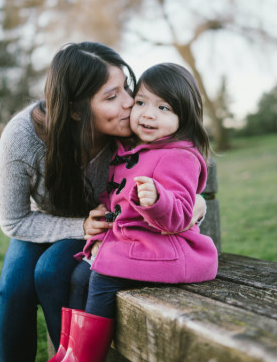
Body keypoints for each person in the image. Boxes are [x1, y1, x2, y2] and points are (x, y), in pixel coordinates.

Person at [0, 43, 205, 362]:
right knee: (14, 290)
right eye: (111, 97)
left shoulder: (134, 127)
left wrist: (195, 202)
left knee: (50, 271)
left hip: (104, 227)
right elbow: (13, 221)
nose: (129, 103)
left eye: (126, 88)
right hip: (41, 223)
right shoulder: (23, 137)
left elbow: (177, 165)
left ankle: (73, 355)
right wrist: (78, 225)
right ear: (76, 109)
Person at [49, 63, 219, 362]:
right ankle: (68, 351)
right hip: (134, 245)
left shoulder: (179, 156)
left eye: (164, 107)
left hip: (165, 250)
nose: (148, 114)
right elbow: (118, 194)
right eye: (141, 102)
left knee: (101, 276)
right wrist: (104, 209)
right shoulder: (133, 149)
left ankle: (85, 358)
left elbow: (180, 216)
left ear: (184, 116)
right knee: (79, 275)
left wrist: (157, 200)